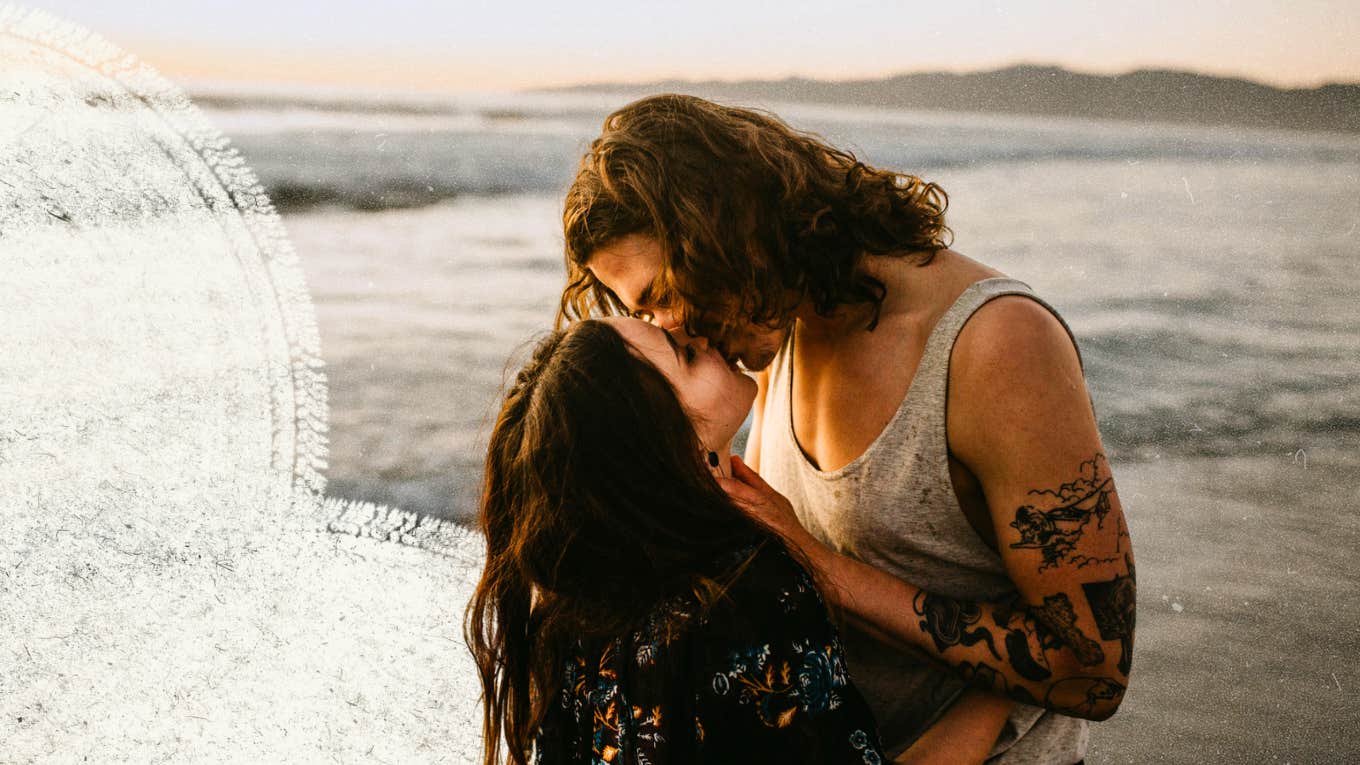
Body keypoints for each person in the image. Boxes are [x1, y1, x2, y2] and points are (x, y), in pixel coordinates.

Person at [556, 94, 1136, 764]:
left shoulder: (994, 345)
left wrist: (819, 563)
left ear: (722, 221)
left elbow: (1096, 669)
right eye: (645, 314)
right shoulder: (773, 332)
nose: (673, 329)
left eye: (664, 293)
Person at [465, 317, 889, 765]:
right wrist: (973, 708)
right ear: (669, 441)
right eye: (685, 353)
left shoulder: (575, 616)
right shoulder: (749, 595)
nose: (702, 334)